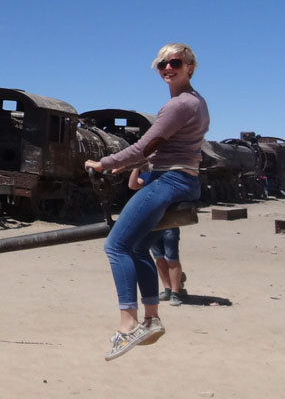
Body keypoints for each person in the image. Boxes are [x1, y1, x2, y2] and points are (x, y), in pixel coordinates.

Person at [84, 42, 208, 361]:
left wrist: (106, 162)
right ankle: (151, 319)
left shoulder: (178, 105)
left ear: (190, 66)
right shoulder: (197, 102)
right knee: (139, 248)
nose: (167, 68)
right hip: (186, 182)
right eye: (161, 64)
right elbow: (158, 149)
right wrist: (128, 166)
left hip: (169, 182)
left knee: (116, 246)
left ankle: (128, 323)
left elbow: (144, 147)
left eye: (175, 62)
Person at [128, 169, 187, 306]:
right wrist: (135, 167)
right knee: (159, 258)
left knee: (172, 258)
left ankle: (175, 292)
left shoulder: (169, 176)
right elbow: (132, 185)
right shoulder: (148, 176)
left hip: (170, 222)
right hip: (152, 223)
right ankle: (167, 289)